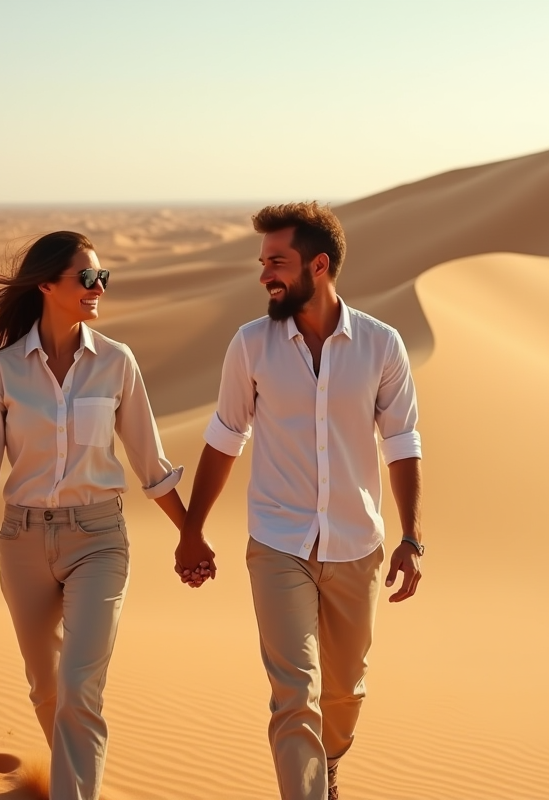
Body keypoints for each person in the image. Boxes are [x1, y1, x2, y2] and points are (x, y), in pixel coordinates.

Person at [175, 203, 425, 800]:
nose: (265, 275)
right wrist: (192, 529)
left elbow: (402, 444)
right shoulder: (250, 345)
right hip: (277, 543)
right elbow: (225, 438)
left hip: (355, 544)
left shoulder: (381, 345)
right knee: (294, 694)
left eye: (277, 262)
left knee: (344, 692)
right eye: (263, 263)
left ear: (319, 265)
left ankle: (328, 764)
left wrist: (412, 538)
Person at [0, 231, 187, 800]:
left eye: (103, 277)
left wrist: (189, 533)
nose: (99, 288)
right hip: (22, 542)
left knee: (79, 689)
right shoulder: (1, 372)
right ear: (47, 285)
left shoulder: (117, 363)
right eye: (87, 278)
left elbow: (150, 463)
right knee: (47, 690)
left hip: (99, 538)